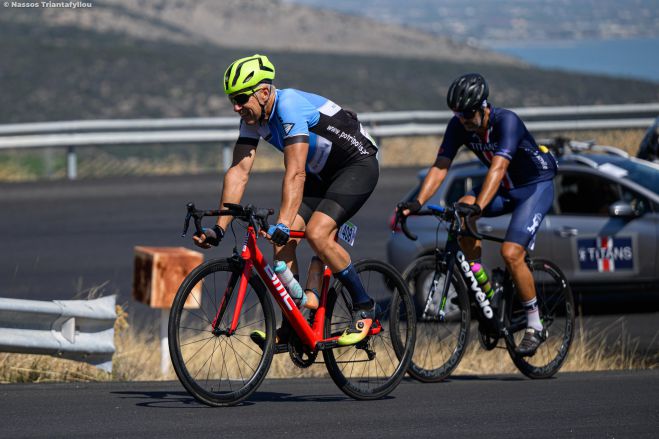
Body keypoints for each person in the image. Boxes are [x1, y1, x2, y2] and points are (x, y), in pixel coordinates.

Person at [193, 54, 380, 346]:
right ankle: (295, 324)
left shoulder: (289, 105)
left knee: (317, 233)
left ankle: (366, 306)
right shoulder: (253, 119)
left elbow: (295, 173)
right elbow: (239, 171)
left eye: (241, 98)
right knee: (282, 241)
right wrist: (219, 227)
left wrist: (282, 221)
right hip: (322, 174)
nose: (236, 107)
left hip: (356, 166)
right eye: (232, 99)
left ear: (264, 92)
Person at [399, 73, 558, 356]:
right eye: (458, 114)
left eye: (469, 113)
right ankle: (480, 282)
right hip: (507, 187)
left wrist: (479, 207)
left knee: (511, 253)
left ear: (484, 106)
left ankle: (536, 324)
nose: (464, 119)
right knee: (462, 210)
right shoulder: (459, 125)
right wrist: (417, 201)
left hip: (534, 187)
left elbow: (497, 170)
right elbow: (440, 166)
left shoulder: (506, 122)